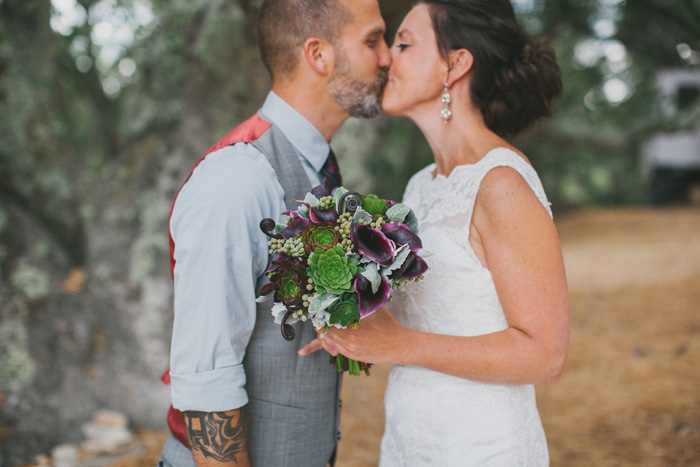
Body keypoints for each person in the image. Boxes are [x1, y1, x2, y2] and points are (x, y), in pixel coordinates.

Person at [300, 0, 570, 465]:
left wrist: (400, 345)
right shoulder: (421, 185)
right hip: (412, 436)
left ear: (456, 64)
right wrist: (351, 315)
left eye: (403, 43)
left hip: (482, 446)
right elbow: (426, 317)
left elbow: (545, 355)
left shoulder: (500, 183)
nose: (385, 58)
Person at [158, 0, 391, 466]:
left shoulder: (317, 167)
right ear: (318, 55)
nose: (387, 57)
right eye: (373, 40)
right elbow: (207, 377)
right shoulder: (239, 177)